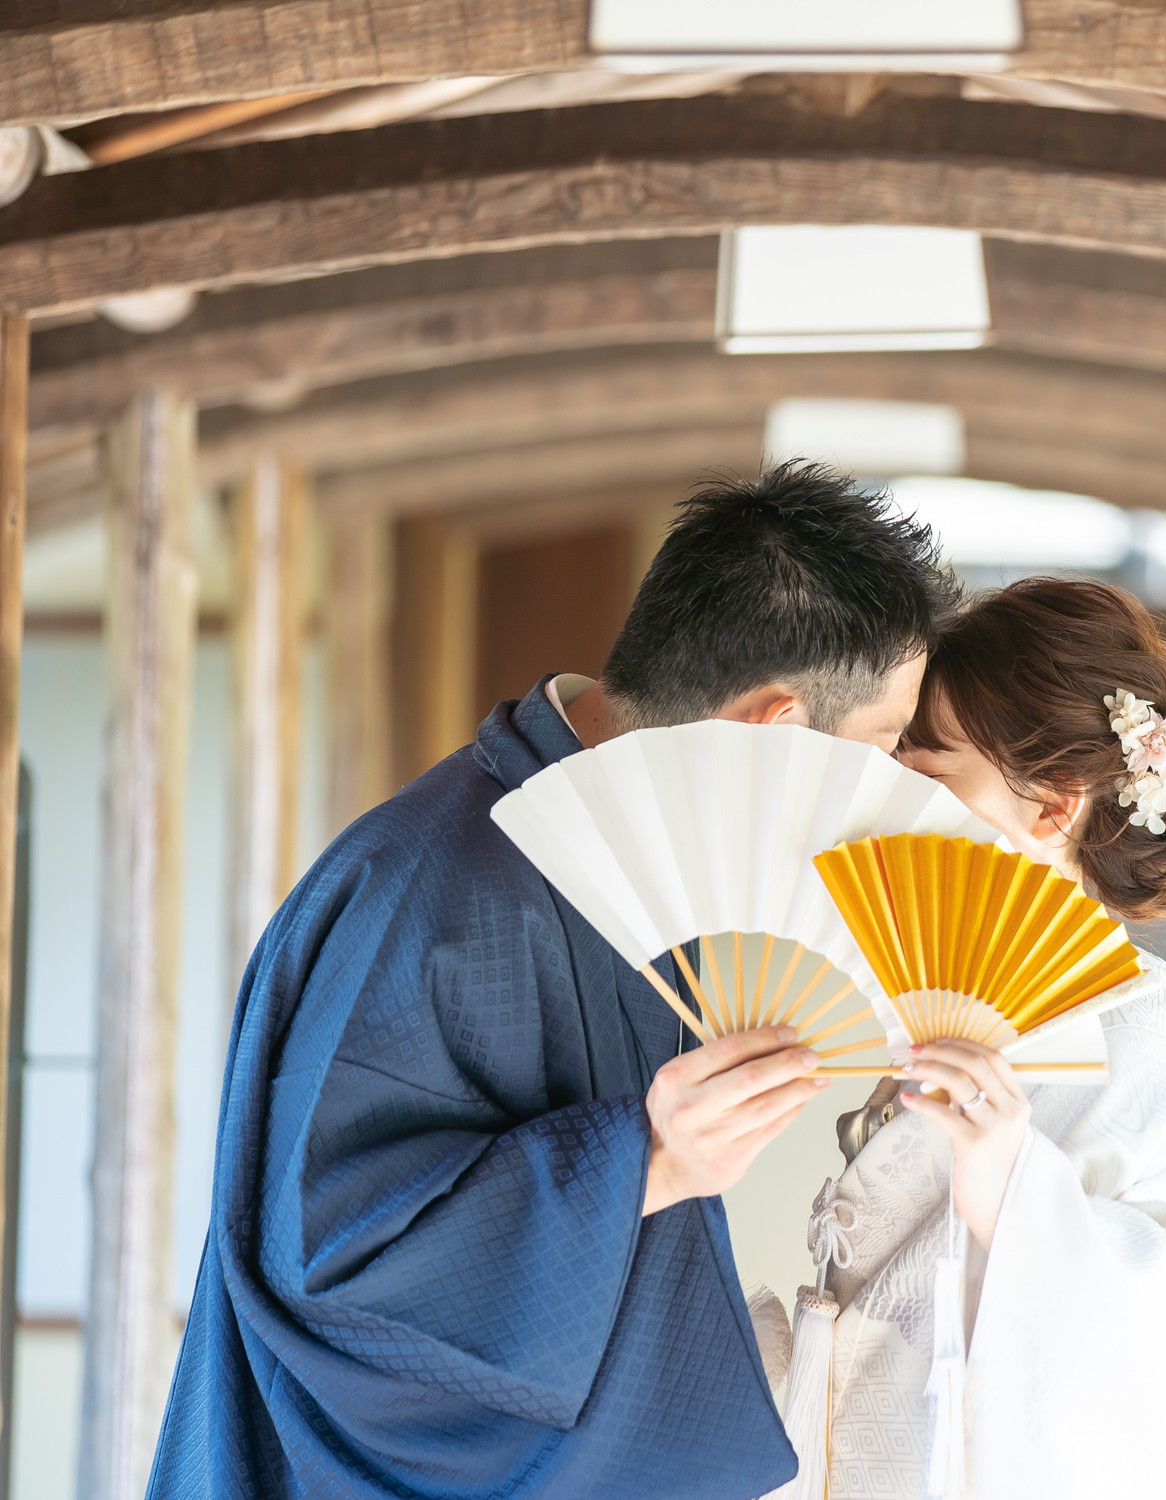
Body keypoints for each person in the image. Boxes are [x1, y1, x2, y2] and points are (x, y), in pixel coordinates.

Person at [150, 464, 959, 1498]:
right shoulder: (437, 886)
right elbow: (335, 1262)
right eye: (883, 746)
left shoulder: (639, 868)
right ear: (780, 729)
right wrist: (645, 1161)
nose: (889, 786)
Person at [793, 577, 1166, 1500]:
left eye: (926, 778)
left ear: (1056, 805)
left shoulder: (1133, 1088)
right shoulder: (949, 1023)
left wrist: (1019, 1201)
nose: (889, 808)